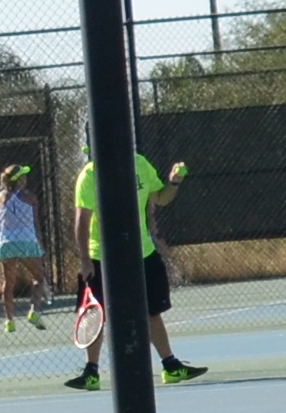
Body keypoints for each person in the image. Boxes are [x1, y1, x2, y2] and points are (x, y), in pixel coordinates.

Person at [63, 148, 205, 391]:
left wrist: (174, 181)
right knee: (93, 313)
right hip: (101, 256)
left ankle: (171, 366)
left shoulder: (139, 164)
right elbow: (82, 221)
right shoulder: (89, 176)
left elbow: (161, 198)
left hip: (142, 252)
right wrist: (85, 260)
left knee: (151, 311)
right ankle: (91, 372)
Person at [0, 165, 47, 328]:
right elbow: (36, 224)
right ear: (19, 180)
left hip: (6, 244)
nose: (25, 179)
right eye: (23, 176)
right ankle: (33, 311)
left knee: (8, 282)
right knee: (39, 278)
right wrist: (39, 243)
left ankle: (9, 321)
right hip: (27, 241)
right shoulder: (31, 197)